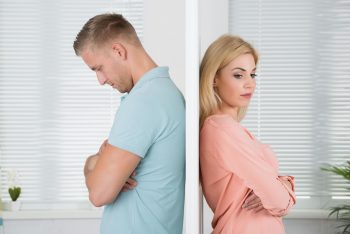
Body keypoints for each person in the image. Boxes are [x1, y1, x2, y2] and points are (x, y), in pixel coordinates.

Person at [73, 13, 185, 234]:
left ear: (118, 51)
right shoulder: (168, 94)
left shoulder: (143, 102)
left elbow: (98, 194)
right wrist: (93, 163)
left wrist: (91, 169)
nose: (101, 80)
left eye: (98, 68)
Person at [199, 34, 296, 234]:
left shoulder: (225, 129)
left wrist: (284, 183)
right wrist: (284, 188)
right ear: (214, 78)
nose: (250, 83)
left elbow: (273, 191)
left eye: (252, 74)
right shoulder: (223, 130)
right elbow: (279, 202)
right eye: (238, 75)